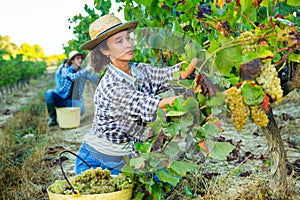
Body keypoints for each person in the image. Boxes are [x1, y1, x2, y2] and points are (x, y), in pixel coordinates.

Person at [75, 14, 198, 175]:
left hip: (126, 157)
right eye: (119, 41)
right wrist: (196, 96)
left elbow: (173, 74)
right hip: (97, 162)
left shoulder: (139, 70)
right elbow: (157, 106)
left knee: (165, 177)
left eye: (128, 38)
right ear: (105, 50)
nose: (128, 44)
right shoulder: (112, 87)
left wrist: (198, 58)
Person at [45, 50, 100, 126]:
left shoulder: (82, 71)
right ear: (72, 61)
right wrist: (86, 70)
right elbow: (72, 77)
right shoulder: (65, 70)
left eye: (81, 58)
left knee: (82, 109)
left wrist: (96, 68)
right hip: (62, 98)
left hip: (73, 101)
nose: (80, 60)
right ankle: (53, 119)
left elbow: (94, 79)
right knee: (49, 93)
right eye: (78, 58)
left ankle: (69, 116)